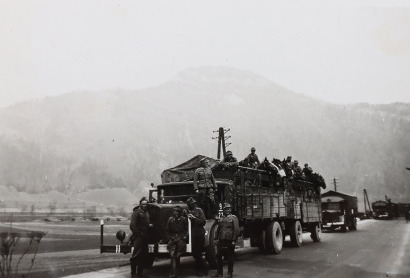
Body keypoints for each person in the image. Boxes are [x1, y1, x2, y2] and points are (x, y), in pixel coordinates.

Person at [212, 203, 240, 278]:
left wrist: (234, 240)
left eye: (228, 209)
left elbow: (236, 230)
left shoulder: (234, 218)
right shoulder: (221, 218)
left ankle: (230, 273)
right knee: (218, 256)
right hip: (221, 240)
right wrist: (215, 238)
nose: (227, 210)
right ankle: (219, 272)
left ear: (230, 210)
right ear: (223, 210)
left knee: (230, 257)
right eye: (225, 209)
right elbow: (218, 229)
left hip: (229, 240)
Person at [185, 197, 208, 276]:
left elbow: (203, 221)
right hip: (191, 235)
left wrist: (194, 218)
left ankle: (201, 269)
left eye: (192, 204)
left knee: (198, 253)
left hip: (199, 234)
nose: (192, 205)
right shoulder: (186, 211)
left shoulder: (199, 210)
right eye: (190, 204)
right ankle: (204, 266)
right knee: (195, 253)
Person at [130, 197, 151, 277]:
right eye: (143, 204)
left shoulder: (146, 213)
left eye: (146, 204)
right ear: (140, 205)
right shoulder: (137, 212)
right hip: (139, 237)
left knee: (143, 255)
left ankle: (140, 273)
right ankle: (133, 273)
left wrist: (149, 225)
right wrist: (139, 233)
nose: (145, 205)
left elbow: (145, 224)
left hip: (145, 237)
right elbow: (132, 225)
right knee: (136, 255)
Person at [166, 206, 188, 278]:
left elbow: (187, 230)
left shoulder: (184, 220)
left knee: (178, 254)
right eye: (174, 212)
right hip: (173, 239)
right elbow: (167, 231)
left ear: (179, 213)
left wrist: (185, 237)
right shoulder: (170, 220)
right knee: (173, 255)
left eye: (176, 212)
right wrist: (170, 238)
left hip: (181, 239)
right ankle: (174, 273)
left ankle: (175, 271)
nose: (175, 213)